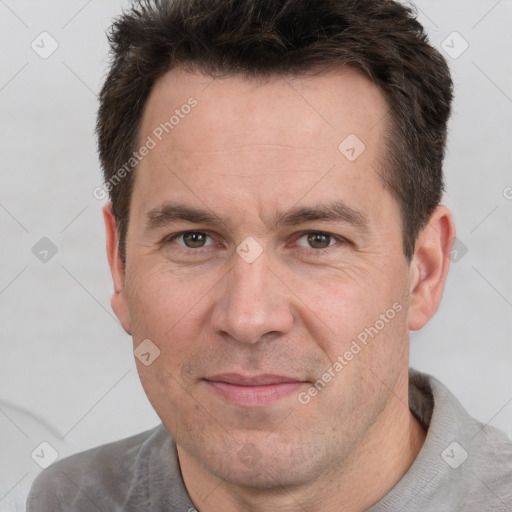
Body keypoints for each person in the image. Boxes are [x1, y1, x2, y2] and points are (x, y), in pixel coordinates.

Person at [26, 0, 512, 510]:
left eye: (317, 239)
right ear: (120, 263)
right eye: (194, 238)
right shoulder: (69, 500)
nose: (248, 318)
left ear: (424, 272)